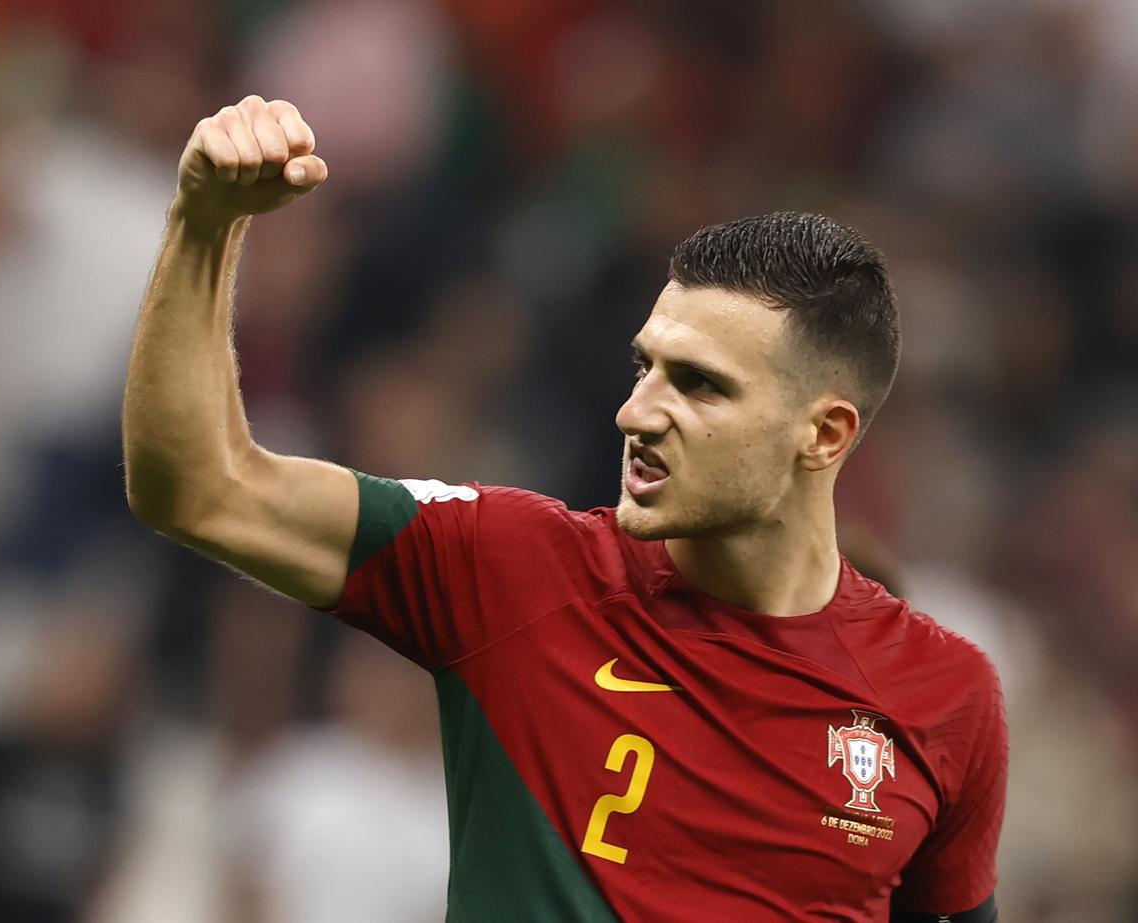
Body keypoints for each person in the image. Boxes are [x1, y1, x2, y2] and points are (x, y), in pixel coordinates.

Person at [123, 96, 1006, 922]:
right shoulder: (513, 567)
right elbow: (200, 486)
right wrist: (205, 223)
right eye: (645, 366)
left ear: (825, 434)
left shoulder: (948, 698)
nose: (638, 411)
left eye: (699, 385)